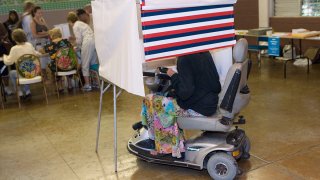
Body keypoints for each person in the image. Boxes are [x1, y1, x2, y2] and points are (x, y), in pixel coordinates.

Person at [141, 51, 221, 158]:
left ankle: (166, 147)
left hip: (197, 108)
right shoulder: (205, 52)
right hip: (209, 103)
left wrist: (173, 75)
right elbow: (212, 84)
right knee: (165, 98)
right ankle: (171, 141)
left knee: (151, 100)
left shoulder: (184, 59)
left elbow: (184, 93)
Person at [3, 29, 40, 99]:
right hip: (33, 72)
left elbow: (8, 62)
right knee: (25, 69)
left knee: (12, 73)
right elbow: (36, 54)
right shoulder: (29, 45)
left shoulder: (14, 49)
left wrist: (5, 57)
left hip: (22, 74)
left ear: (14, 38)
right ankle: (27, 91)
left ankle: (19, 92)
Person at [67, 12, 98, 91]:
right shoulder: (81, 23)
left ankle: (87, 85)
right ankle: (96, 82)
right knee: (93, 63)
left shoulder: (75, 26)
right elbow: (81, 38)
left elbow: (79, 41)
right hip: (94, 41)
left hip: (87, 42)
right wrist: (76, 41)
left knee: (85, 65)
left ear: (70, 21)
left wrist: (74, 44)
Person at [44, 28, 74, 92]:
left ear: (51, 36)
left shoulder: (49, 45)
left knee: (54, 65)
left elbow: (43, 51)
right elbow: (72, 49)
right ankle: (70, 85)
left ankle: (60, 87)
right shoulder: (66, 41)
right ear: (60, 34)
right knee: (67, 63)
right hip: (68, 65)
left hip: (57, 67)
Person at [30, 6, 50, 82]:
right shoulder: (33, 22)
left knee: (49, 60)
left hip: (47, 42)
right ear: (34, 13)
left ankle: (50, 76)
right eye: (39, 13)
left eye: (41, 12)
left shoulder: (42, 20)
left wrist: (44, 33)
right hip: (39, 44)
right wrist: (45, 34)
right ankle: (44, 78)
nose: (41, 14)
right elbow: (34, 35)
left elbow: (49, 31)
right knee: (42, 62)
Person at [0, 23, 13, 95]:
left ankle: (6, 88)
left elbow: (6, 34)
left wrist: (2, 39)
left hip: (2, 49)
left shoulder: (0, 24)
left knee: (4, 71)